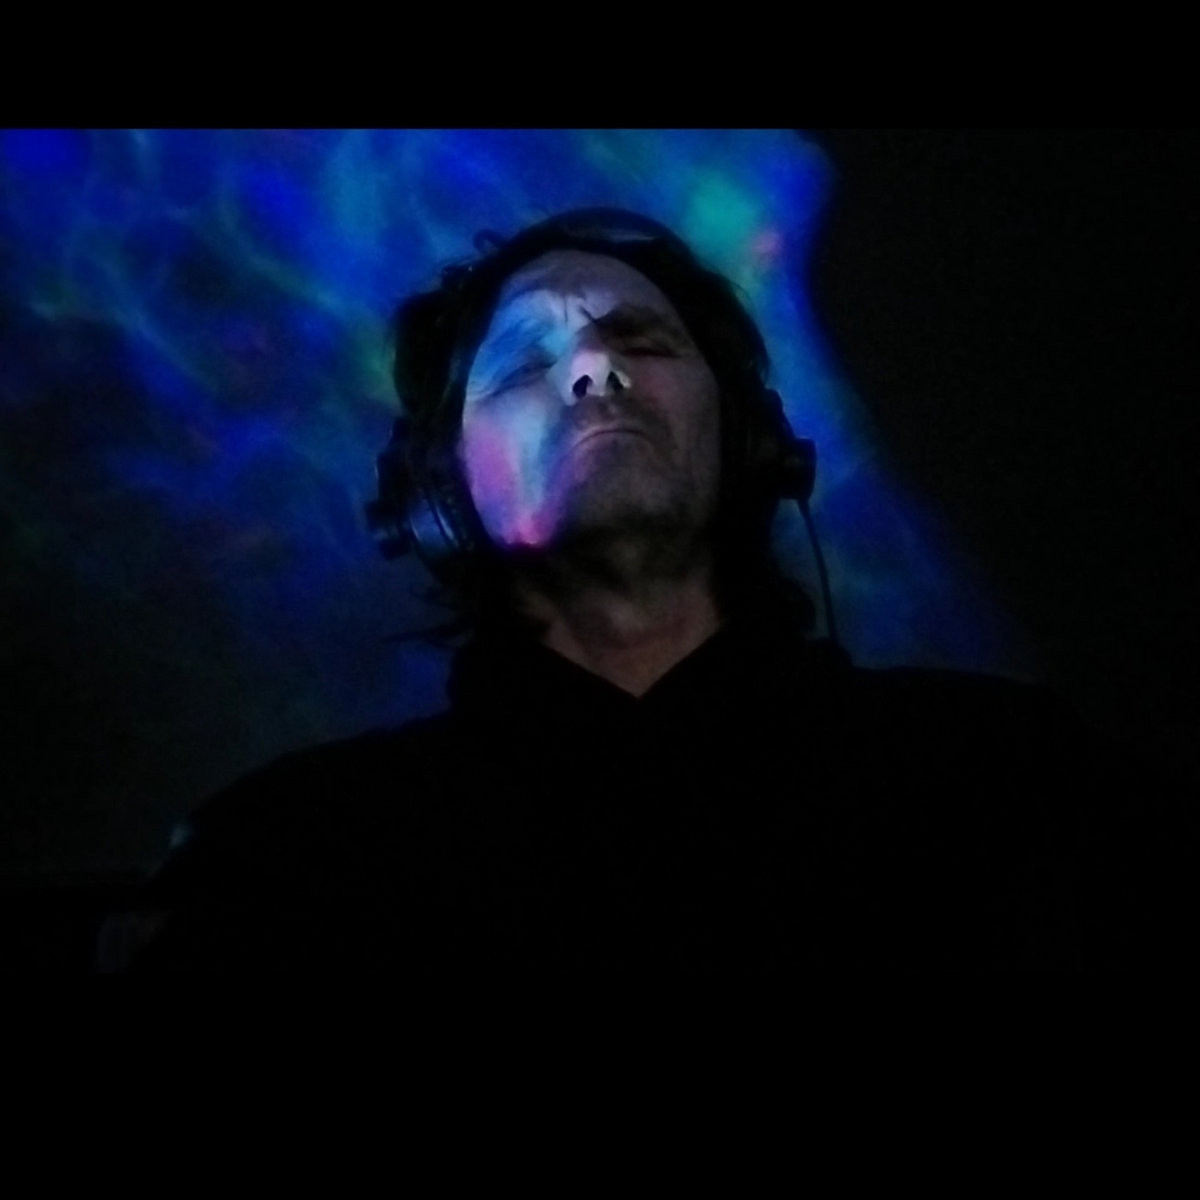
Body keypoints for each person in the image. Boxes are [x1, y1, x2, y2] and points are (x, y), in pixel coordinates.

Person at [103, 208, 1194, 972]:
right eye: (523, 365)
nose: (594, 369)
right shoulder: (290, 857)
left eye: (640, 338)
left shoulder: (1010, 776)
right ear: (441, 494)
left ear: (749, 438)